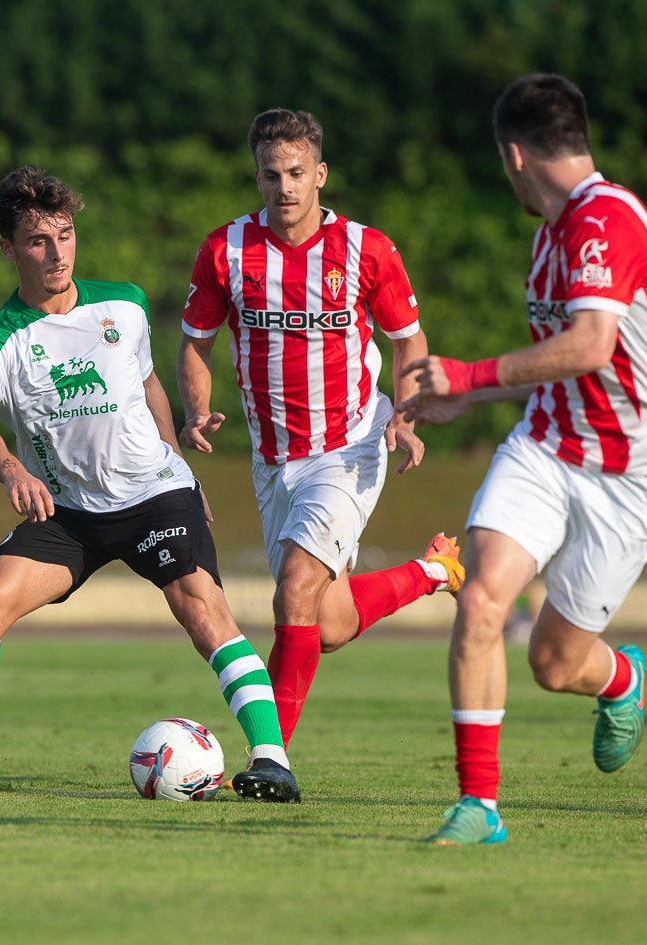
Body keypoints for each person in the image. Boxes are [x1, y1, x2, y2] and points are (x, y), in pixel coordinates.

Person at [0, 164, 300, 801]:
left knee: (203, 610)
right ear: (8, 249)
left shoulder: (123, 302)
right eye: (37, 241)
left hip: (153, 494)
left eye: (64, 234)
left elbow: (148, 385)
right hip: (67, 512)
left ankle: (272, 762)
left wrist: (183, 469)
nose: (56, 252)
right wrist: (9, 467)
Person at [398, 73, 647, 845]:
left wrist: (467, 375)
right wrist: (469, 399)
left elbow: (591, 345)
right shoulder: (551, 234)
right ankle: (478, 806)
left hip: (634, 472)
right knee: (480, 600)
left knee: (555, 663)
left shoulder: (603, 221)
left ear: (515, 154)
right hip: (544, 448)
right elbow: (556, 362)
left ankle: (621, 677)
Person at [175, 107, 464, 750]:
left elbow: (407, 339)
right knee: (323, 622)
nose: (285, 187)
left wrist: (407, 413)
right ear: (257, 177)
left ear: (321, 175)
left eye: (297, 173)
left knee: (294, 590)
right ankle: (436, 571)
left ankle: (270, 757)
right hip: (273, 460)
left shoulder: (367, 250)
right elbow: (194, 344)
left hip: (350, 445)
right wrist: (196, 409)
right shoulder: (225, 250)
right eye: (272, 174)